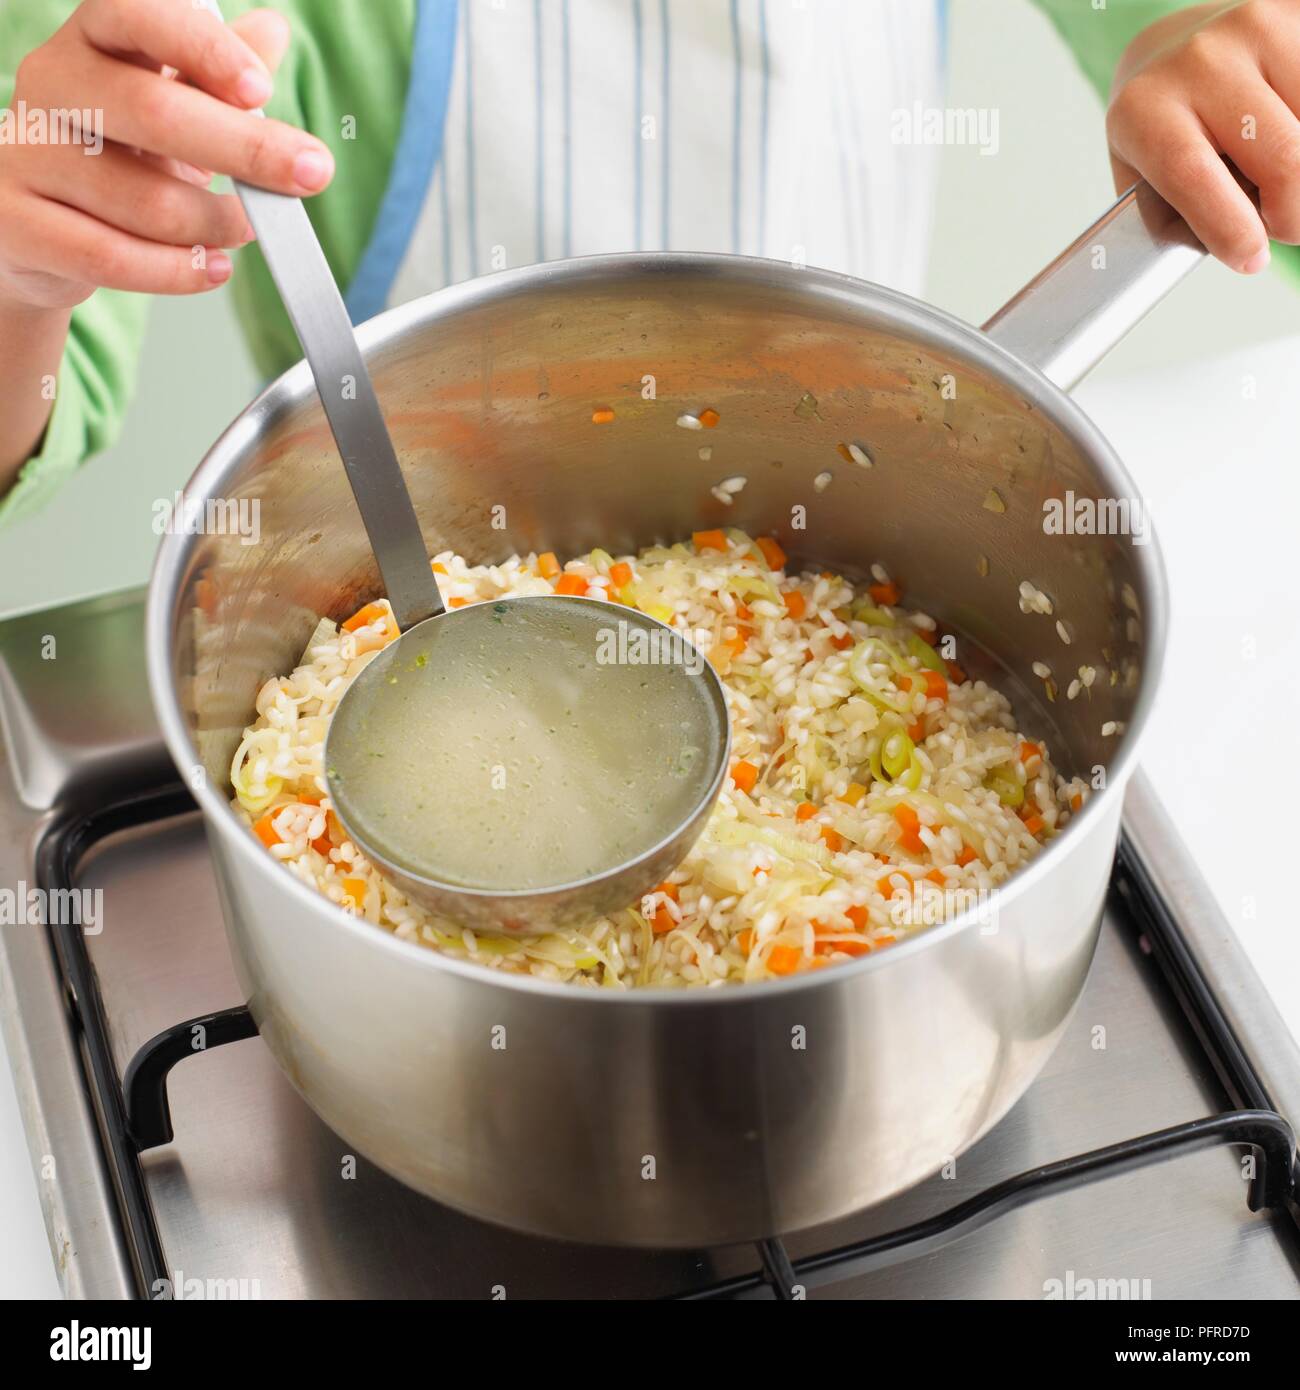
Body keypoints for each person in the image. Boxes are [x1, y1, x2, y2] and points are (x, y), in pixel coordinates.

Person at [1, 0, 1297, 525]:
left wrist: (1244, 84)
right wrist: (22, 271)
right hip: (409, 603)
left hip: (854, 530)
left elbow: (1248, 102)